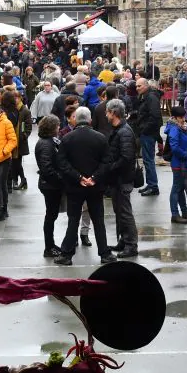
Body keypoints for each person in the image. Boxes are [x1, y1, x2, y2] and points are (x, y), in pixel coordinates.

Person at [53, 106, 115, 266]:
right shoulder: (100, 138)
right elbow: (107, 161)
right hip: (95, 187)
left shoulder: (67, 139)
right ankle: (104, 253)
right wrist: (94, 178)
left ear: (76, 119)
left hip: (75, 187)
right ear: (90, 120)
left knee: (73, 220)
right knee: (98, 220)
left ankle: (66, 254)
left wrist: (78, 177)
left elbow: (62, 163)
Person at [104, 98, 138, 257]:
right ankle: (123, 241)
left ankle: (131, 245)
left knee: (125, 212)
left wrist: (110, 168)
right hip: (118, 178)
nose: (106, 115)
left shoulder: (124, 131)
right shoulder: (119, 129)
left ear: (114, 113)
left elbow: (126, 157)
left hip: (122, 178)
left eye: (107, 112)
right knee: (119, 211)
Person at [34, 115, 63, 257]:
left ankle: (50, 244)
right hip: (50, 186)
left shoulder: (48, 141)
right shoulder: (46, 144)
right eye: (57, 126)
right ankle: (48, 247)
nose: (59, 128)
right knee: (51, 216)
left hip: (49, 184)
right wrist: (60, 180)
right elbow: (47, 168)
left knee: (51, 215)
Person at [165, 106, 187, 224]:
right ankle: (175, 214)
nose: (183, 119)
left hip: (184, 163)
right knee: (177, 188)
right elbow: (174, 147)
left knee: (181, 188)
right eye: (180, 117)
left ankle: (184, 212)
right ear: (174, 117)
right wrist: (185, 155)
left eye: (184, 116)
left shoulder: (181, 128)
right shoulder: (174, 129)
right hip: (179, 164)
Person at [136, 77, 162, 196]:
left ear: (146, 85)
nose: (137, 88)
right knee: (147, 160)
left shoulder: (151, 97)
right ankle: (151, 184)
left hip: (149, 133)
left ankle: (153, 186)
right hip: (147, 132)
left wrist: (144, 129)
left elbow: (155, 117)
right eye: (136, 86)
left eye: (139, 86)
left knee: (149, 160)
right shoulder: (146, 96)